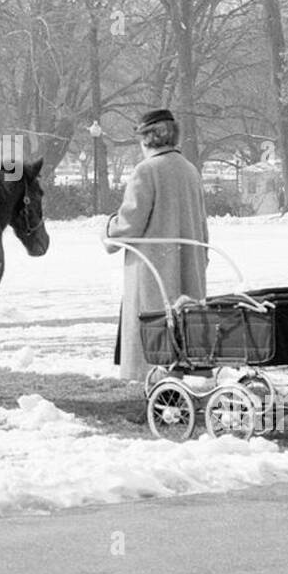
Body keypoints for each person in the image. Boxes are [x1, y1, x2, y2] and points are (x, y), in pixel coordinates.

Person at [103, 109, 209, 385]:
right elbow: (201, 222)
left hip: (153, 268)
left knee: (154, 330)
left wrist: (109, 229)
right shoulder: (190, 170)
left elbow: (130, 223)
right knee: (181, 329)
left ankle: (159, 393)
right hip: (187, 262)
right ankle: (176, 389)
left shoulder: (146, 170)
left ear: (148, 139)